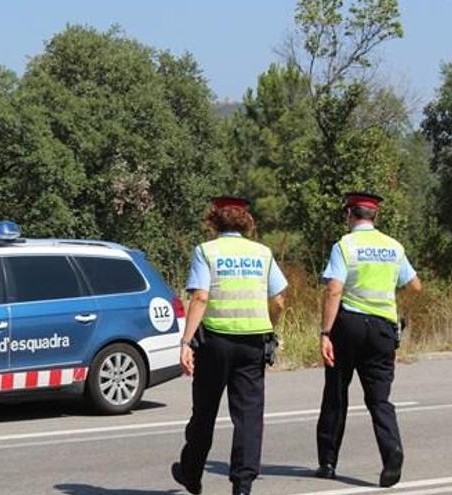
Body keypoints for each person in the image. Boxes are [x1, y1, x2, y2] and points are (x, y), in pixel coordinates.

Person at [171, 197, 287, 495]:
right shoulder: (262, 253)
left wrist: (186, 341)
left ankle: (192, 473)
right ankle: (243, 485)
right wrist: (271, 326)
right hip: (253, 343)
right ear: (245, 221)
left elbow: (200, 297)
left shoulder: (206, 251)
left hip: (215, 342)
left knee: (205, 412)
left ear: (214, 220)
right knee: (248, 416)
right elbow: (278, 299)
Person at [315, 192, 422, 487]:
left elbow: (334, 290)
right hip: (384, 330)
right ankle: (392, 452)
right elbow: (414, 285)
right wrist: (389, 293)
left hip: (348, 326)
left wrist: (325, 332)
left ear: (350, 214)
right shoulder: (393, 247)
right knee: (379, 399)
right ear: (375, 216)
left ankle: (327, 463)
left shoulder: (345, 245)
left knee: (336, 394)